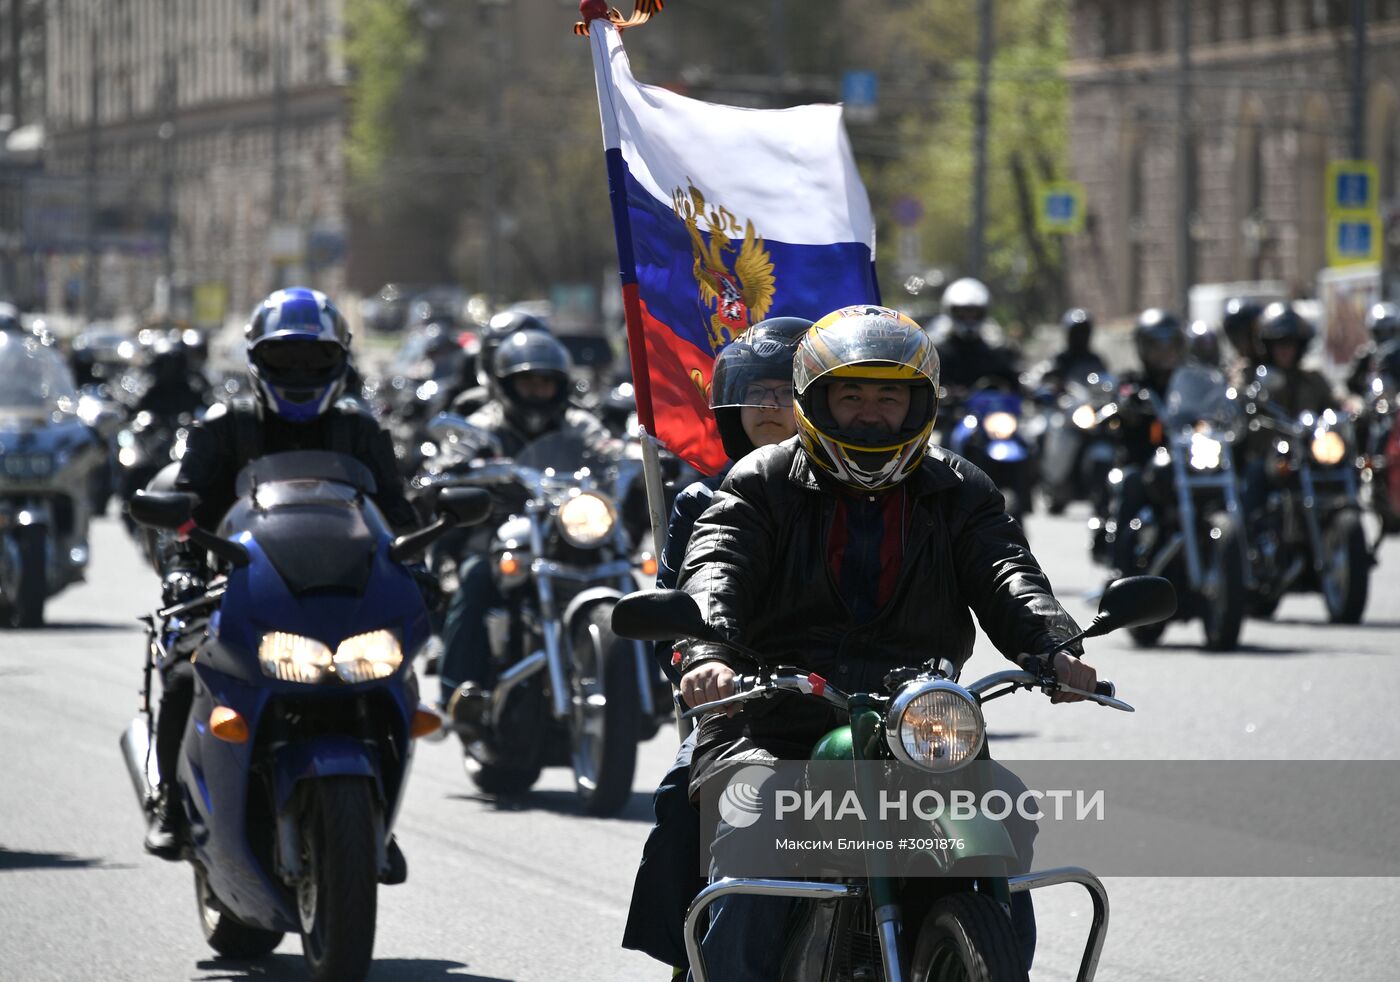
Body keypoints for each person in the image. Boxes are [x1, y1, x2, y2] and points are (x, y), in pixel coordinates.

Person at [674, 305, 1093, 980]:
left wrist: (1055, 648)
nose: (871, 413)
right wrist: (709, 656)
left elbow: (1007, 571)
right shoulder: (760, 483)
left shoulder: (958, 489)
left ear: (917, 403)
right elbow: (716, 569)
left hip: (918, 718)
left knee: (1005, 819)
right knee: (755, 836)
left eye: (888, 395)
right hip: (777, 716)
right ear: (818, 401)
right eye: (852, 394)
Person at [142, 288, 418, 860]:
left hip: (342, 591)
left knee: (395, 682)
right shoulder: (224, 427)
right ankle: (170, 798)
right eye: (284, 358)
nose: (299, 371)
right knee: (180, 668)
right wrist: (182, 571)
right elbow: (183, 514)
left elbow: (399, 516)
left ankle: (375, 819)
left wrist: (421, 567)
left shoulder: (360, 432)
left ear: (338, 360)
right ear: (256, 359)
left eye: (314, 359)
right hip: (237, 588)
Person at [622, 316, 811, 972]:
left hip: (869, 701)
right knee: (696, 803)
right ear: (731, 404)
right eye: (758, 392)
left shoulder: (874, 495)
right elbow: (682, 610)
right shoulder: (706, 498)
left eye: (789, 392)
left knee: (987, 820)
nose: (773, 407)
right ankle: (695, 952)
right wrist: (702, 663)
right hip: (753, 706)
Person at [438, 329, 613, 719]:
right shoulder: (486, 422)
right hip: (498, 531)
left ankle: (646, 680)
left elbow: (607, 446)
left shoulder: (577, 422)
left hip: (564, 531)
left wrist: (633, 454)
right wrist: (454, 467)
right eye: (527, 381)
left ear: (560, 385)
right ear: (506, 385)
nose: (537, 391)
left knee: (621, 573)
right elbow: (455, 452)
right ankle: (457, 694)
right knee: (476, 578)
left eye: (546, 382)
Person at [1096, 309, 1186, 575]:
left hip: (1184, 462)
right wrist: (1125, 405)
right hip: (1143, 463)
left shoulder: (1185, 383)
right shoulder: (1133, 383)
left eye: (1170, 347)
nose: (1164, 354)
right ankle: (1120, 569)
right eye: (1157, 347)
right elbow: (1117, 397)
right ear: (1144, 349)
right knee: (1131, 483)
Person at [926, 277, 1021, 394]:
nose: (968, 319)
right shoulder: (937, 354)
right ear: (951, 312)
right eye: (962, 313)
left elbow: (1016, 385)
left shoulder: (996, 354)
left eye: (974, 313)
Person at [1252, 302, 1335, 418]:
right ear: (1269, 346)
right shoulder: (1254, 380)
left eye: (1290, 343)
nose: (1285, 350)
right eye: (1279, 344)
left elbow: (1336, 405)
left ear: (1299, 346)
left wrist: (1352, 404)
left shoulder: (1313, 382)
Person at [133, 336, 208, 419]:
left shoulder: (192, 390)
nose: (170, 369)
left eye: (175, 364)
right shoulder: (152, 395)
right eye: (164, 364)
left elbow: (203, 411)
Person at [1034, 308, 1107, 392]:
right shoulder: (1059, 360)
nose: (1080, 337)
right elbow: (1038, 380)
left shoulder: (1095, 360)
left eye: (1084, 332)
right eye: (1076, 333)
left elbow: (1106, 381)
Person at [1346, 302, 1400, 396]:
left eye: (1389, 331)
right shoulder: (1366, 355)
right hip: (1372, 403)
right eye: (1380, 332)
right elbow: (1352, 383)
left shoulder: (1397, 355)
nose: (1384, 337)